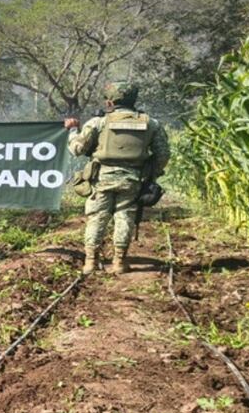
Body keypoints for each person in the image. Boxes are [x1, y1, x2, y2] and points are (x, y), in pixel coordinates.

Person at [65, 81, 170, 275]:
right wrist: (151, 174)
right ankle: (120, 262)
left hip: (102, 178)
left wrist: (72, 130)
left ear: (110, 101)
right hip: (133, 179)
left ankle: (90, 262)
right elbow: (163, 154)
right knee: (125, 217)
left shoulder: (98, 122)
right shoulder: (151, 123)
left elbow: (76, 149)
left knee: (97, 217)